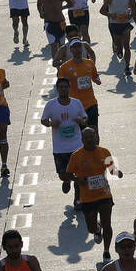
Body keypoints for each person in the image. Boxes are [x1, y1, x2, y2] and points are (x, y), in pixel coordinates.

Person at [41, 76, 90, 208]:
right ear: (57, 89)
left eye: (66, 87)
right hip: (60, 147)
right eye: (61, 87)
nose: (63, 89)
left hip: (77, 145)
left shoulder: (76, 103)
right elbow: (43, 120)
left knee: (79, 173)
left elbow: (85, 119)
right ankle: (67, 180)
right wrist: (51, 123)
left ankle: (78, 199)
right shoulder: (51, 105)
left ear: (69, 88)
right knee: (63, 175)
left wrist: (81, 121)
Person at [57, 39, 102, 133]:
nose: (77, 49)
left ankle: (95, 147)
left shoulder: (90, 63)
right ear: (71, 50)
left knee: (94, 131)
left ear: (82, 49)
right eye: (75, 47)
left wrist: (96, 79)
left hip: (91, 103)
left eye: (79, 47)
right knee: (80, 133)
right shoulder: (65, 67)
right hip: (75, 105)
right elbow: (60, 85)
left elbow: (94, 75)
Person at [99, 0, 135, 73]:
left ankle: (127, 67)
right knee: (119, 44)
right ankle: (119, 49)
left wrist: (132, 16)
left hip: (125, 24)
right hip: (114, 24)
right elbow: (102, 11)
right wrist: (111, 15)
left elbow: (134, 10)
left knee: (127, 45)